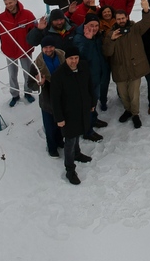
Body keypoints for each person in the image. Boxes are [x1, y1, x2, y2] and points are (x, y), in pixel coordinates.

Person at [102, 0, 150, 129]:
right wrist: (111, 40)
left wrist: (146, 9)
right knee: (123, 95)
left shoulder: (135, 29)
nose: (121, 21)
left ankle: (135, 114)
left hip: (135, 69)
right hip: (120, 70)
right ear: (115, 20)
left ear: (127, 17)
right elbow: (107, 52)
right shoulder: (111, 34)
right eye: (118, 19)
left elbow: (146, 22)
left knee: (134, 95)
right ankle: (128, 110)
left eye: (123, 18)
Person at [50, 46, 94, 185]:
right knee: (70, 140)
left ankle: (77, 153)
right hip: (68, 114)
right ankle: (70, 169)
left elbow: (89, 86)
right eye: (71, 59)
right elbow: (55, 100)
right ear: (66, 59)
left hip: (82, 110)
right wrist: (59, 118)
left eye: (76, 58)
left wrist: (92, 102)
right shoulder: (59, 75)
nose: (74, 61)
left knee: (78, 134)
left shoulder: (83, 67)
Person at [0, 0, 37, 107]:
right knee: (12, 74)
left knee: (27, 73)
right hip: (10, 51)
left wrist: (32, 44)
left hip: (25, 51)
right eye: (6, 4)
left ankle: (28, 92)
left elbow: (35, 30)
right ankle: (15, 95)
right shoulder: (2, 17)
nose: (9, 5)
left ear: (15, 1)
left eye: (10, 3)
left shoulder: (27, 14)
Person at [73, 15, 109, 141]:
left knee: (94, 100)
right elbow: (82, 58)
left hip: (97, 75)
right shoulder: (79, 38)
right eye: (91, 25)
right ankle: (87, 131)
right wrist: (87, 40)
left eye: (96, 25)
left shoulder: (97, 36)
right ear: (85, 25)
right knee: (88, 104)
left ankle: (93, 119)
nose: (94, 28)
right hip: (86, 79)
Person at [35, 38, 65, 157]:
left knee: (60, 121)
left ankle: (59, 141)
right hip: (47, 99)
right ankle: (52, 147)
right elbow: (30, 83)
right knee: (49, 125)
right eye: (45, 47)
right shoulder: (36, 63)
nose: (48, 50)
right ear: (42, 49)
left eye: (50, 47)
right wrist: (39, 83)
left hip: (62, 95)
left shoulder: (63, 56)